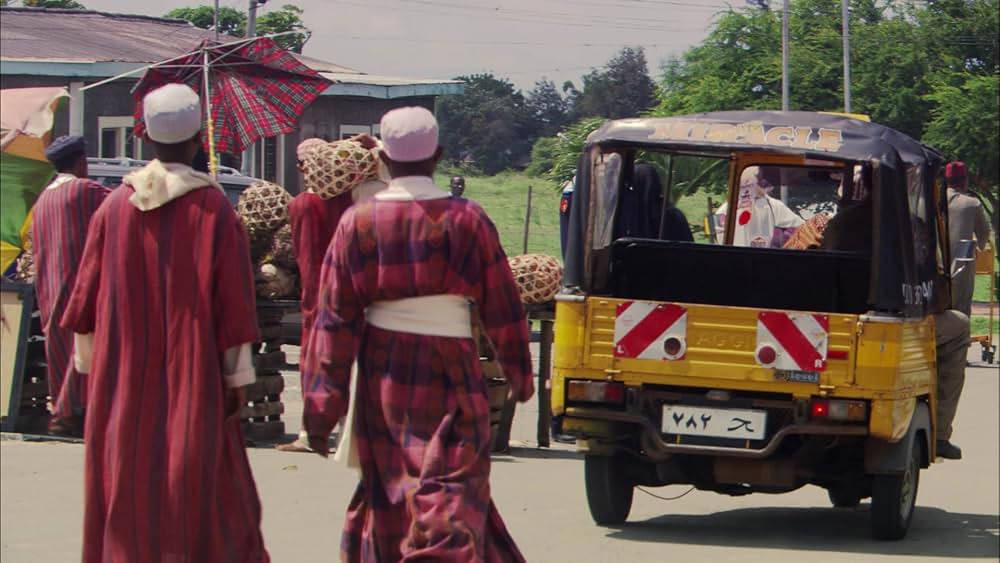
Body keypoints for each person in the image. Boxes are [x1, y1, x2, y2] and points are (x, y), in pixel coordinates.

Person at [302, 106, 534, 560]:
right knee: (452, 492)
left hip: (383, 379)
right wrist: (520, 375)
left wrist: (320, 409)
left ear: (383, 159)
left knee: (391, 493)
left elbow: (333, 323)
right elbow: (504, 308)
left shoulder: (358, 224)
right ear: (439, 156)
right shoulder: (469, 220)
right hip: (454, 373)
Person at [60, 83, 269, 561]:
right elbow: (233, 303)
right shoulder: (215, 209)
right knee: (192, 480)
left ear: (144, 138)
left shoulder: (113, 207)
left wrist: (91, 370)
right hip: (192, 376)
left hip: (121, 376)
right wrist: (237, 378)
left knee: (126, 480)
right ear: (199, 139)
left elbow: (86, 302)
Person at [819, 177, 969, 460]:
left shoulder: (840, 222)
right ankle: (941, 433)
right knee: (959, 325)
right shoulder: (913, 227)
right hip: (893, 324)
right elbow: (933, 288)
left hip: (839, 320)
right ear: (907, 187)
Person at [31, 136, 110, 437]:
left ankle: (65, 412)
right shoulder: (84, 190)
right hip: (79, 290)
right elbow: (123, 206)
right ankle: (74, 414)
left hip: (49, 292)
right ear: (81, 162)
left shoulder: (42, 200)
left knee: (62, 351)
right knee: (86, 351)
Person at [945, 161, 992, 318]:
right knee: (961, 310)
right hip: (961, 266)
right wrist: (980, 246)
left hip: (932, 269)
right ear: (964, 180)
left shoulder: (932, 201)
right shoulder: (971, 204)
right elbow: (984, 233)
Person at [716, 166, 804, 247]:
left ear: (757, 185)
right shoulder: (725, 210)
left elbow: (802, 227)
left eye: (749, 185)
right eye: (741, 187)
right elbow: (721, 240)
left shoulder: (773, 205)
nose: (745, 192)